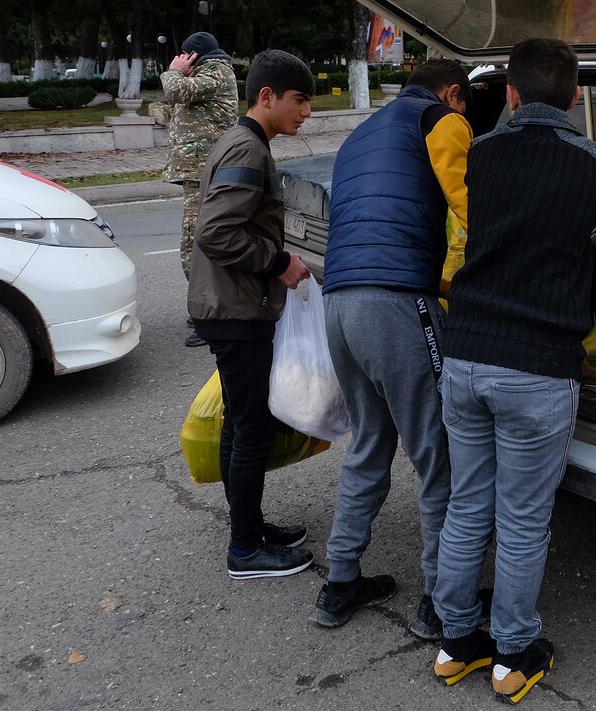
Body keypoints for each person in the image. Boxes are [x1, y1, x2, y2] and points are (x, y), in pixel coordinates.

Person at [431, 38, 596, 702]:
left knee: (469, 502)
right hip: (538, 366)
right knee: (522, 517)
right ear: (576, 98)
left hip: (464, 355)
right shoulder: (591, 160)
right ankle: (515, 654)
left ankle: (456, 643)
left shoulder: (483, 152)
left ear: (513, 95)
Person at [313, 59, 478, 632]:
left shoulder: (361, 132)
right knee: (438, 453)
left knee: (370, 442)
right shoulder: (440, 119)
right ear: (453, 92)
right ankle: (438, 599)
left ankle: (339, 583)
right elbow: (470, 203)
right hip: (397, 306)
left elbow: (372, 222)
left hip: (339, 302)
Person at [189, 49, 315, 580]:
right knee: (251, 427)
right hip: (236, 308)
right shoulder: (247, 147)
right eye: (299, 100)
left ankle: (250, 525)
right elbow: (216, 232)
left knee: (244, 426)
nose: (305, 113)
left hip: (230, 305)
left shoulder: (242, 141)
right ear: (267, 97)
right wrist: (280, 261)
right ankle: (245, 549)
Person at [155, 31, 240, 348]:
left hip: (208, 174)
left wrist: (174, 71)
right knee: (199, 245)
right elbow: (169, 103)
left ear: (192, 56)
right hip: (197, 174)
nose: (178, 60)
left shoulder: (216, 72)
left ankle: (213, 315)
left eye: (183, 55)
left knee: (196, 247)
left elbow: (175, 88)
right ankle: (210, 310)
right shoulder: (204, 76)